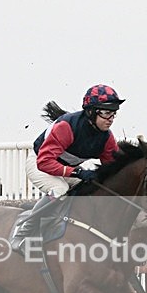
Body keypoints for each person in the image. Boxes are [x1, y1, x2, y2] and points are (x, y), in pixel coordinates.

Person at [11, 84, 124, 254]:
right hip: (39, 164)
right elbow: (45, 162)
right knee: (60, 188)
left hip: (64, 167)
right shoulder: (67, 127)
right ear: (91, 112)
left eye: (113, 113)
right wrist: (77, 172)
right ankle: (24, 230)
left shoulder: (106, 138)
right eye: (106, 112)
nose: (111, 118)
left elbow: (113, 169)